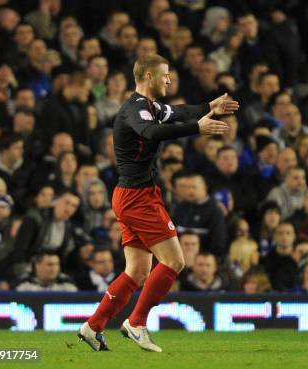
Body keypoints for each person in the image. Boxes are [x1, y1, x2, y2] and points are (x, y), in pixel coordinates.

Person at [79, 53, 237, 352]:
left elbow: (177, 112)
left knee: (137, 271)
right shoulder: (134, 110)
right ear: (148, 76)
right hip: (138, 197)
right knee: (175, 261)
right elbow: (151, 132)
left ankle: (93, 326)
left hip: (132, 194)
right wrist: (197, 128)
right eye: (165, 75)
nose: (169, 79)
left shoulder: (151, 106)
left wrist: (208, 108)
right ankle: (136, 323)